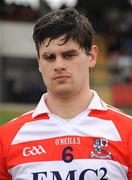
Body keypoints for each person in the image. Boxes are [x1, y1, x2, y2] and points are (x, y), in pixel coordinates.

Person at [0, 8, 132, 180]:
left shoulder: (127, 132)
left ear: (91, 56)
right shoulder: (6, 138)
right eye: (49, 57)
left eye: (69, 55)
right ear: (39, 62)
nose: (58, 65)